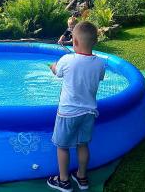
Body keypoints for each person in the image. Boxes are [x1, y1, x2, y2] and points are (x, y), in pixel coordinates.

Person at [47, 21, 105, 192]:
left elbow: (58, 72)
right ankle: (82, 176)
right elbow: (98, 77)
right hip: (88, 112)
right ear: (94, 42)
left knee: (62, 146)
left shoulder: (66, 60)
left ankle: (63, 180)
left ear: (75, 42)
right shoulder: (100, 63)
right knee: (82, 145)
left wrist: (52, 67)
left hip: (68, 113)